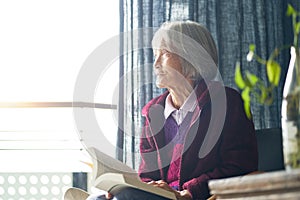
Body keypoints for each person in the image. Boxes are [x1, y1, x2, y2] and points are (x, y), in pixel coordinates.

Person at [65, 20, 258, 200]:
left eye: (164, 53)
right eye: (154, 54)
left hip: (197, 198)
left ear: (191, 56)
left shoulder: (226, 103)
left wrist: (188, 192)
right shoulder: (153, 112)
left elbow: (239, 167)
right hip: (159, 198)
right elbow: (147, 175)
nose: (156, 64)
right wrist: (145, 186)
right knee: (122, 193)